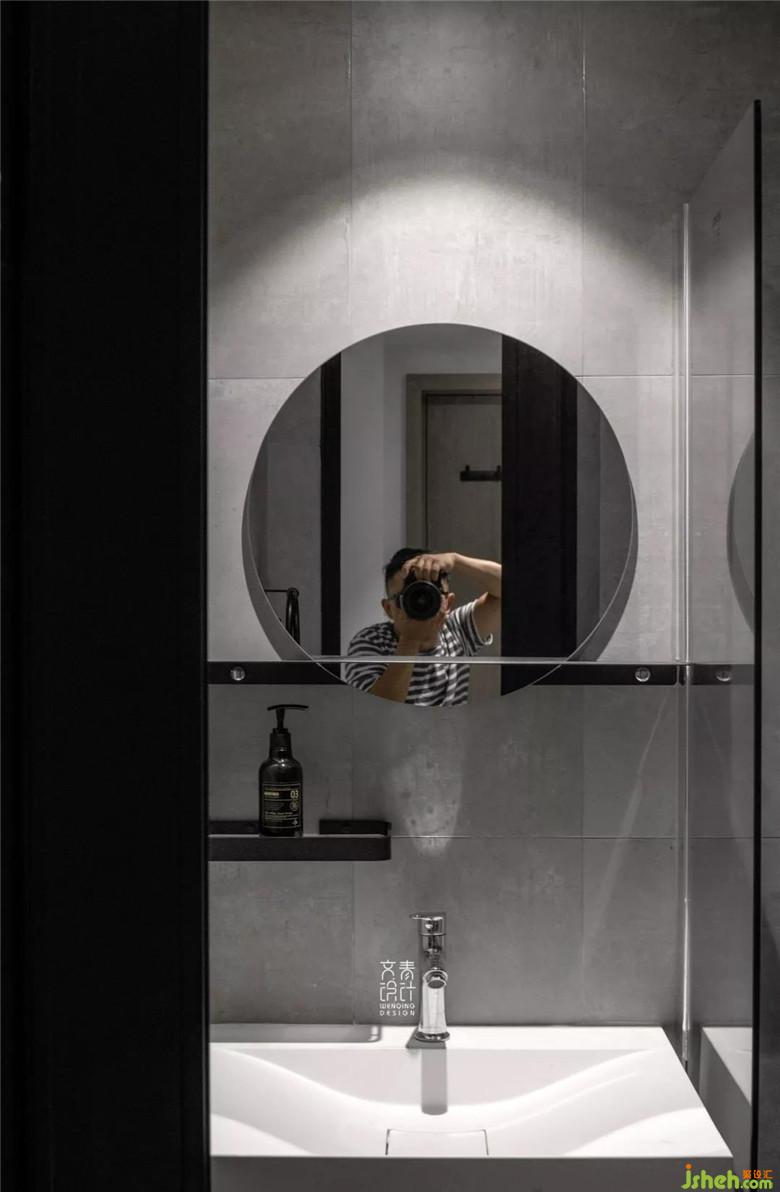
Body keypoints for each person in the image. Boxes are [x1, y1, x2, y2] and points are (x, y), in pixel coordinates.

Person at [344, 549, 502, 706]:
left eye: (429, 593)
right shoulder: (371, 642)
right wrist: (410, 641)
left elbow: (511, 589)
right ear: (388, 608)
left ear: (448, 603)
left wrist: (456, 560)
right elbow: (374, 710)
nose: (420, 602)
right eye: (409, 596)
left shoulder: (457, 630)